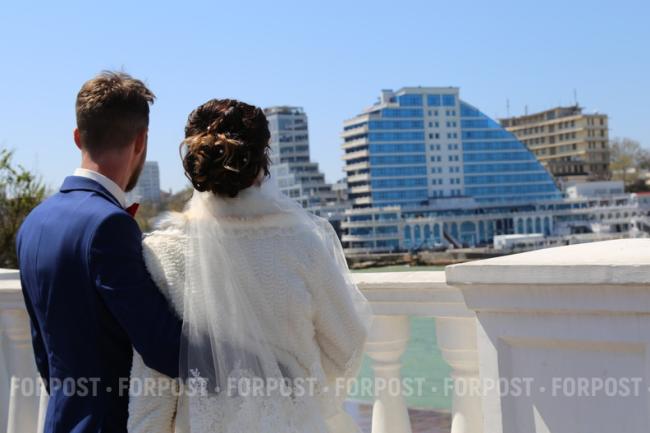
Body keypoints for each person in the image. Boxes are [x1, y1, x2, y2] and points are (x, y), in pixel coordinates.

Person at [127, 99, 371, 433]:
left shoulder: (162, 252)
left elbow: (154, 383)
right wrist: (292, 388)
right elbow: (347, 344)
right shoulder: (303, 244)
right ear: (262, 161)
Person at [16, 72, 182, 433]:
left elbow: (43, 353)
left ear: (77, 137)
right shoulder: (110, 225)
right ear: (141, 141)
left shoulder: (32, 224)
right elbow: (163, 346)